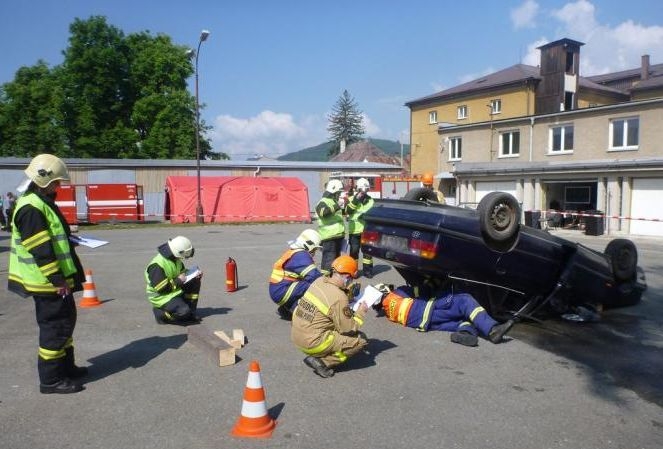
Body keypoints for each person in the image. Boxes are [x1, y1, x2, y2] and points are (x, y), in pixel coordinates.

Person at [7, 154, 87, 394]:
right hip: (47, 282)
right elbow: (41, 251)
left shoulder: (39, 201)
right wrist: (57, 280)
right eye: (57, 182)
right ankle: (51, 380)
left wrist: (70, 240)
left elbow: (52, 238)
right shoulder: (31, 209)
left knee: (66, 323)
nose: (59, 187)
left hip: (53, 280)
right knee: (55, 328)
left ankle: (66, 367)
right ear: (44, 181)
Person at [291, 255, 369, 378]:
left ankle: (322, 353)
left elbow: (328, 301)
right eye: (352, 279)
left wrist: (345, 296)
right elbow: (348, 329)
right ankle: (324, 362)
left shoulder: (319, 281)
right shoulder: (339, 298)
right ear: (347, 277)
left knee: (331, 322)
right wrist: (361, 312)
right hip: (313, 342)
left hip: (297, 336)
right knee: (360, 340)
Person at [377, 284, 514, 347]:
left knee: (463, 320)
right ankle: (492, 330)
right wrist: (432, 283)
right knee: (464, 301)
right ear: (385, 290)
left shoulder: (389, 312)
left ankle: (465, 332)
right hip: (428, 310)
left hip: (424, 324)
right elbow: (422, 290)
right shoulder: (397, 292)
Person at [145, 236, 203, 325]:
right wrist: (179, 281)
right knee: (184, 311)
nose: (183, 259)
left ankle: (191, 312)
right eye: (183, 256)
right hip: (162, 297)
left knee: (194, 281)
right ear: (178, 252)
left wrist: (194, 274)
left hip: (173, 291)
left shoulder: (174, 259)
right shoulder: (157, 266)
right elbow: (161, 289)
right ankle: (161, 314)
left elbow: (181, 273)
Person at [269, 228, 323, 320]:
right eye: (314, 249)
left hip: (279, 289)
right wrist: (329, 282)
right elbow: (314, 276)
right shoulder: (301, 255)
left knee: (305, 282)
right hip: (283, 291)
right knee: (312, 285)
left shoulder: (294, 252)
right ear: (308, 245)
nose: (314, 252)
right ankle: (301, 312)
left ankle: (286, 309)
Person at [315, 179, 346, 273]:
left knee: (336, 261)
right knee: (329, 260)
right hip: (329, 237)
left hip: (337, 236)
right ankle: (325, 281)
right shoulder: (323, 202)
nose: (339, 194)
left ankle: (333, 280)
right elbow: (323, 213)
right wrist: (337, 206)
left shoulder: (334, 201)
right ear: (333, 191)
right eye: (338, 192)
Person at [345, 178, 374, 278]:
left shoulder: (370, 200)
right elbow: (347, 211)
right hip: (354, 230)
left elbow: (372, 213)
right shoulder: (351, 198)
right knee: (354, 252)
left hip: (367, 230)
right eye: (362, 190)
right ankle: (353, 271)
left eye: (366, 190)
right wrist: (356, 200)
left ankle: (368, 271)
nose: (364, 192)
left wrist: (366, 216)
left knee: (367, 252)